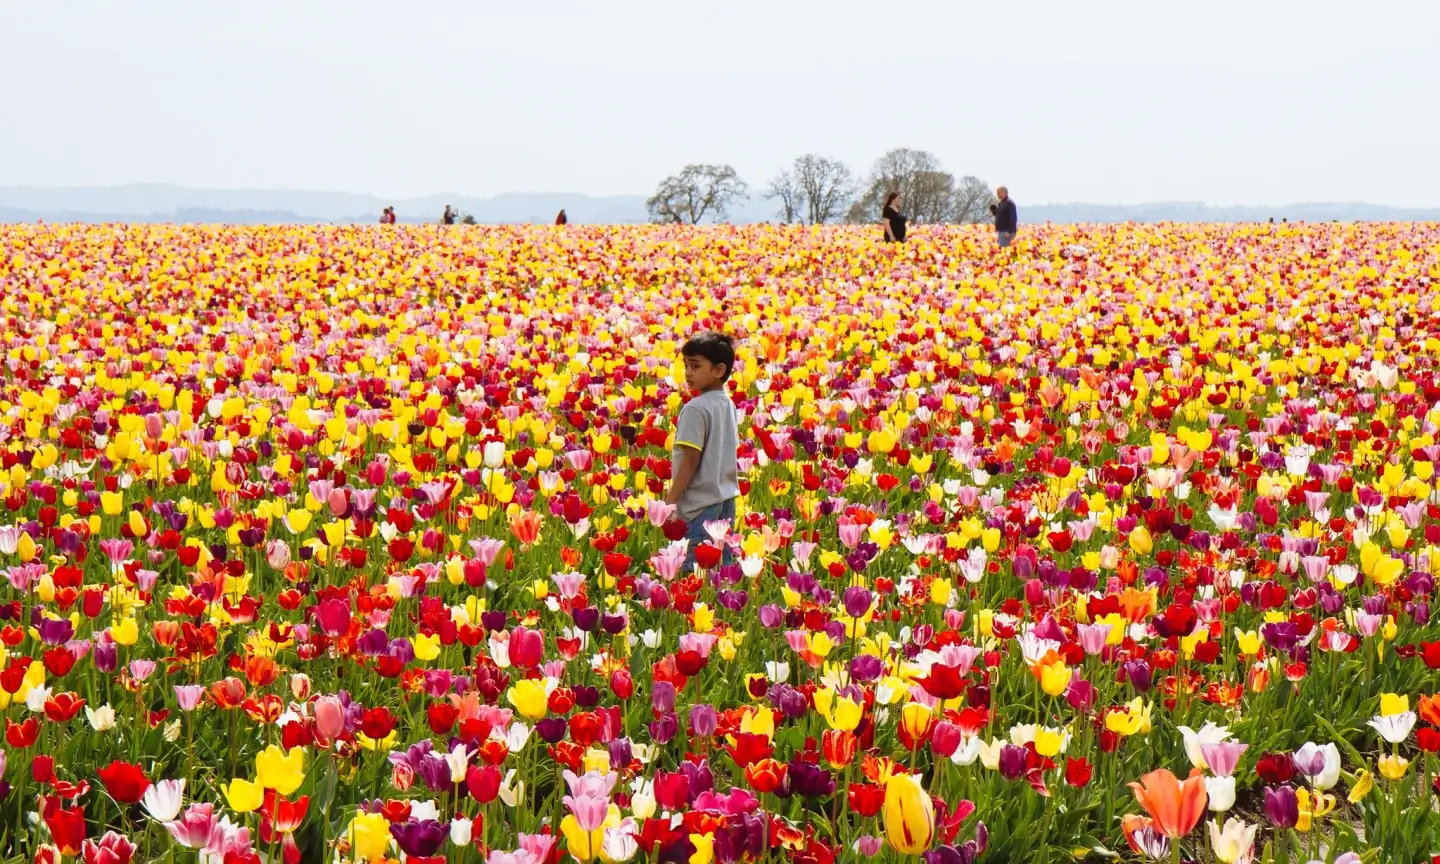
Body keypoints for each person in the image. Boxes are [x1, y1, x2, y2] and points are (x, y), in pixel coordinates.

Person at [665, 331, 739, 572]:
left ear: (718, 370)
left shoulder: (694, 409)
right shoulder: (727, 403)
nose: (687, 372)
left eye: (695, 366)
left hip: (698, 505)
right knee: (720, 570)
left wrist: (670, 501)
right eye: (686, 365)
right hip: (725, 500)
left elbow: (690, 459)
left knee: (694, 573)